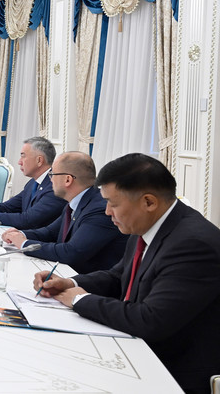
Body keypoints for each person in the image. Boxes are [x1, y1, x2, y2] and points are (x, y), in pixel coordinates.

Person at [34, 154, 220, 393]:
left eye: (113, 204)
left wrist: (79, 299)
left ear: (149, 202)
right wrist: (68, 283)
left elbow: (150, 320)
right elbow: (118, 276)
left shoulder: (193, 244)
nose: (107, 212)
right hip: (136, 350)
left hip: (173, 372)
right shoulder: (147, 224)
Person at [2, 151, 126, 274]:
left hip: (88, 281)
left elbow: (71, 252)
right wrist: (19, 234)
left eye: (52, 174)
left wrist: (24, 244)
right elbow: (50, 232)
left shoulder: (99, 209)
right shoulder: (76, 201)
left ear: (68, 180)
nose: (50, 180)